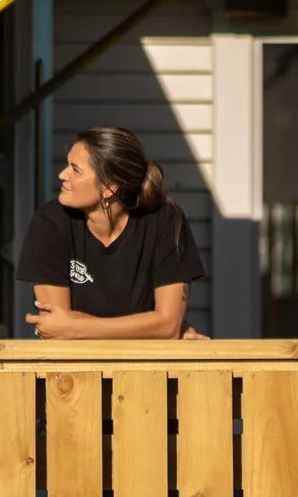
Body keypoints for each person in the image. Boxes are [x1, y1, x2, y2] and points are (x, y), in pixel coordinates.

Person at [19, 126, 205, 339]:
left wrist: (76, 326)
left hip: (146, 365)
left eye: (75, 169)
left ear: (109, 188)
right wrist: (151, 328)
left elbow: (167, 326)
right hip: (73, 367)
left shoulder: (165, 221)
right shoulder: (49, 223)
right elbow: (55, 329)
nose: (62, 175)